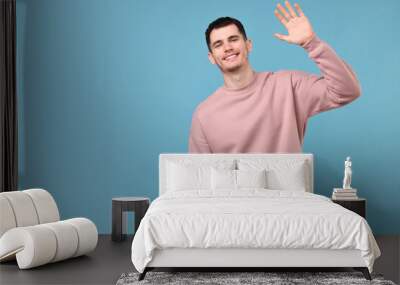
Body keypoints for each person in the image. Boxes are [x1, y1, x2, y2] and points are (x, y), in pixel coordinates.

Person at [188, 1, 361, 153]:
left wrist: (311, 42)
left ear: (248, 45)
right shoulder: (204, 114)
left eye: (233, 39)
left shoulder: (289, 85)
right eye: (218, 44)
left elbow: (347, 91)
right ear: (211, 57)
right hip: (234, 192)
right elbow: (200, 179)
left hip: (289, 191)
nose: (227, 48)